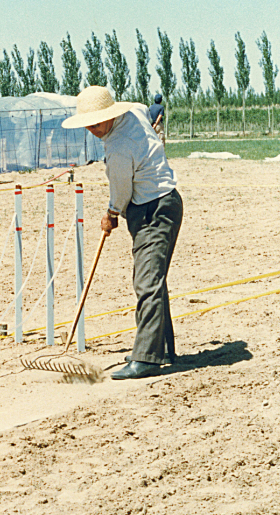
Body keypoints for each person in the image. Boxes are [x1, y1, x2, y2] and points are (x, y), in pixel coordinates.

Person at [62, 86, 183, 379]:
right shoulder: (135, 111)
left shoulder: (118, 147)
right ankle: (160, 349)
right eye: (88, 124)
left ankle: (146, 360)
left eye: (97, 123)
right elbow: (148, 110)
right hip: (164, 201)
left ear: (109, 115)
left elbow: (121, 190)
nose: (93, 129)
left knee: (147, 282)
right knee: (154, 279)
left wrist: (111, 214)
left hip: (153, 208)